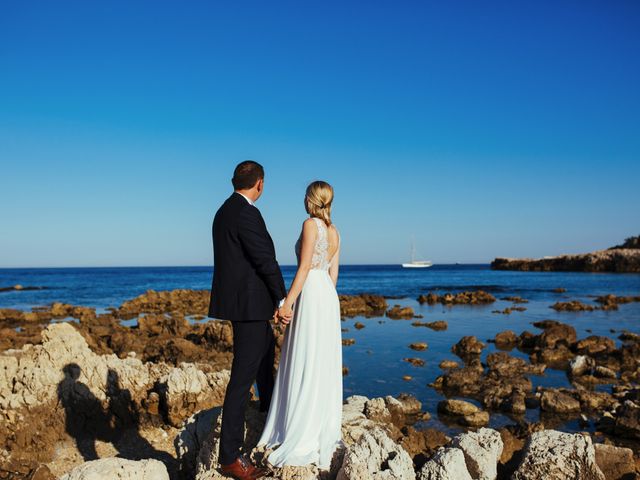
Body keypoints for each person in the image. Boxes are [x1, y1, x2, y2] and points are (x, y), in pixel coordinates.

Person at [208, 161, 291, 480]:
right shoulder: (246, 212)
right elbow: (263, 259)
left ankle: (268, 415)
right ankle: (230, 456)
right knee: (242, 379)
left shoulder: (223, 211)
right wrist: (281, 298)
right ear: (259, 184)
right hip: (250, 306)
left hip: (246, 304)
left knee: (265, 358)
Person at [258, 180, 343, 470]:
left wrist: (287, 303)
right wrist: (326, 302)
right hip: (327, 297)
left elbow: (304, 267)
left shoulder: (311, 225)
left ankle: (297, 426)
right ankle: (319, 422)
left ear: (311, 199)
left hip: (310, 291)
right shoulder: (335, 231)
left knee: (303, 355)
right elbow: (333, 275)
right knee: (319, 359)